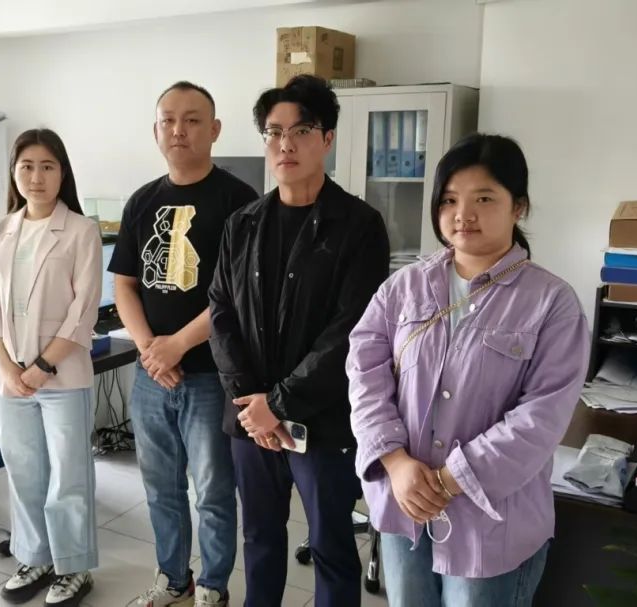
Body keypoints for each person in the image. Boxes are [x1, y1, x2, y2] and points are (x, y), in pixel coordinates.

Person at [347, 134, 590, 607]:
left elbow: (541, 417)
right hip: (404, 507)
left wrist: (449, 480)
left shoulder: (552, 303)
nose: (463, 214)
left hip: (491, 525)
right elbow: (364, 371)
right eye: (450, 200)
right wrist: (395, 462)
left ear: (519, 206)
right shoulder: (404, 286)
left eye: (484, 199)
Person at [208, 74, 391, 607]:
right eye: (273, 132)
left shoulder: (359, 225)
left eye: (301, 130)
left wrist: (279, 404)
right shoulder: (242, 224)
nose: (285, 144)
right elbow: (221, 313)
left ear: (326, 138)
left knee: (331, 544)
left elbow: (352, 331)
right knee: (260, 538)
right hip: (250, 420)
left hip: (324, 421)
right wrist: (251, 403)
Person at [110, 81, 259, 607]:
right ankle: (174, 579)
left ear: (214, 130)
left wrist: (177, 345)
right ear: (155, 131)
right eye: (168, 120)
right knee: (161, 489)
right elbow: (124, 284)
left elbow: (238, 295)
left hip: (211, 377)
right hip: (152, 376)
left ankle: (213, 586)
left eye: (192, 120)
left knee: (214, 492)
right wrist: (151, 348)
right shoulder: (142, 200)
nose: (179, 130)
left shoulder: (240, 202)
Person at [0, 128, 102, 607]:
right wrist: (8, 368)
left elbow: (83, 312)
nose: (36, 176)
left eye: (47, 166)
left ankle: (74, 567)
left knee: (68, 476)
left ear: (62, 173)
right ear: (14, 173)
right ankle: (36, 557)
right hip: (10, 379)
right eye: (26, 166)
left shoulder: (82, 230)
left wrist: (42, 367)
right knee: (25, 471)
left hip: (63, 376)